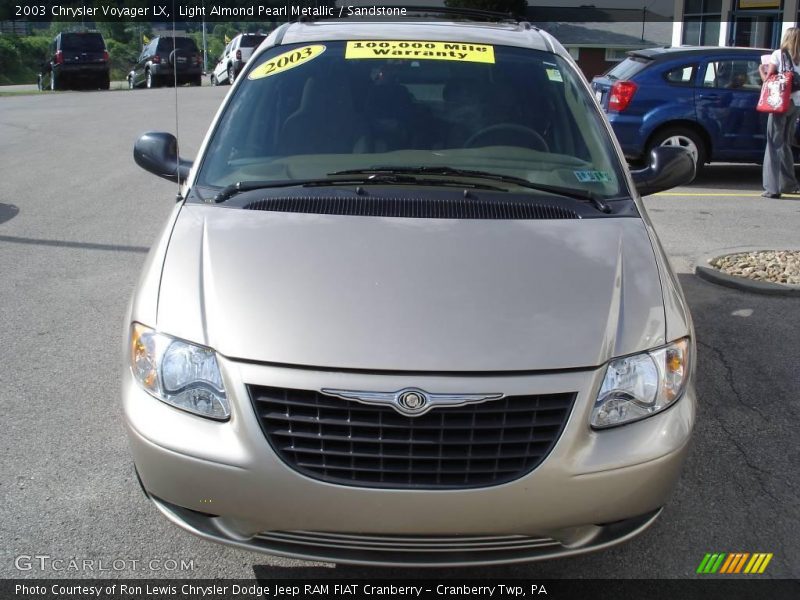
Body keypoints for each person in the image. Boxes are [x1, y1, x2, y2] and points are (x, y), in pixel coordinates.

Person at [760, 27, 800, 198]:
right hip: (797, 103)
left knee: (773, 144)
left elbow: (770, 80)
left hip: (780, 103)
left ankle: (772, 188)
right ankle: (789, 184)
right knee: (785, 143)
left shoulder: (779, 54)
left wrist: (761, 70)